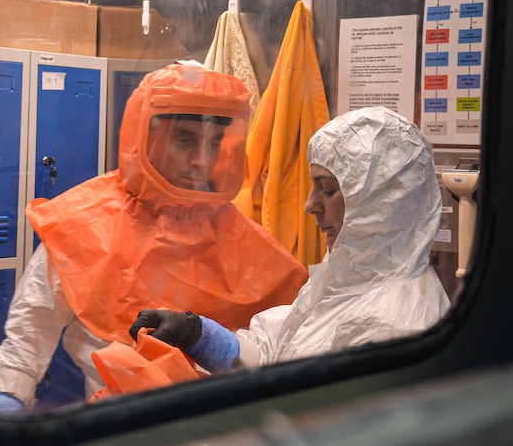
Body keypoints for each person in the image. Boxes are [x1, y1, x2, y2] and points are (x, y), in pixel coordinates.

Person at [0, 62, 308, 412]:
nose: (202, 161)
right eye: (185, 140)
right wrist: (10, 398)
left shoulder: (244, 239)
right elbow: (31, 329)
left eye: (214, 143)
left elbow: (288, 342)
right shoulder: (85, 223)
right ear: (147, 137)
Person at [131, 106, 451, 373]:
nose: (309, 205)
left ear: (382, 204)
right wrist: (197, 333)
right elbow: (277, 356)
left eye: (326, 189)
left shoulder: (393, 325)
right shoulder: (351, 280)